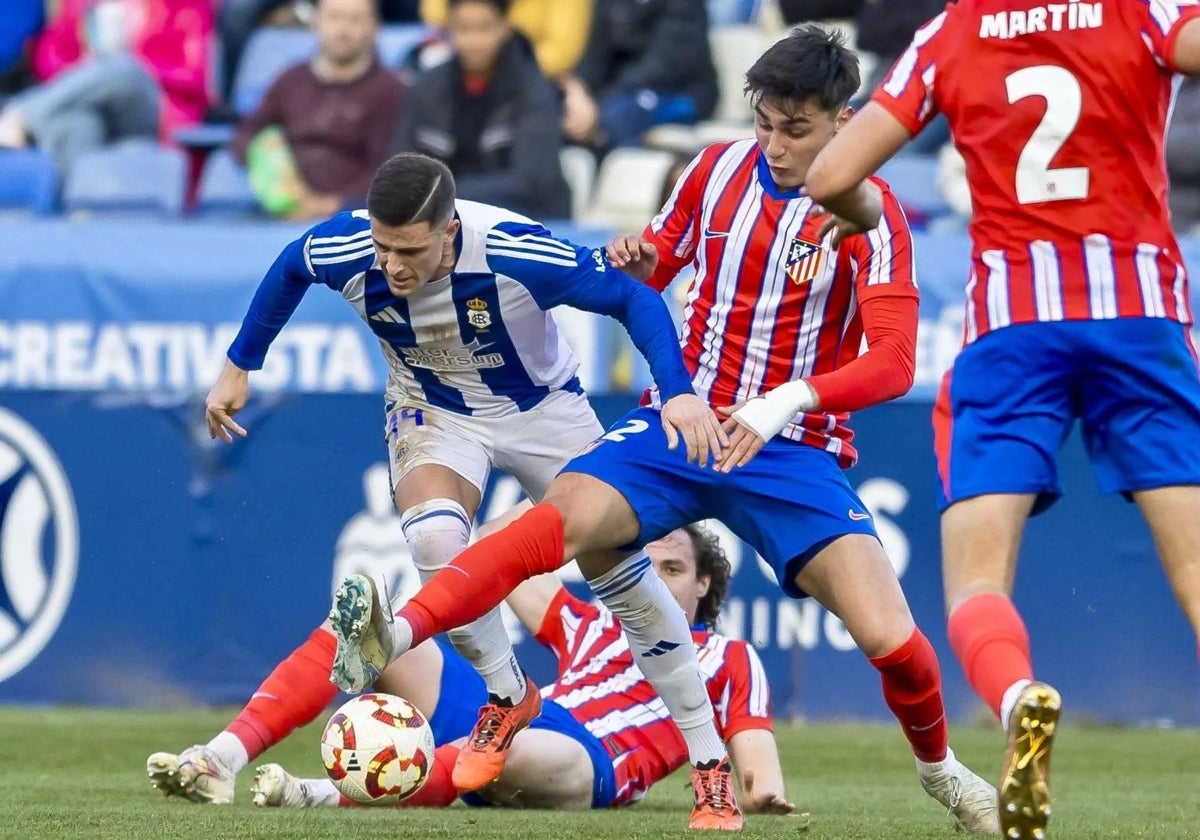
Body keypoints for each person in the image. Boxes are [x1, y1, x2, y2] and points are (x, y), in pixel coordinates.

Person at [332, 25, 1000, 834]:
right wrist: (637, 260)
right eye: (765, 123)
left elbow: (894, 363)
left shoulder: (874, 217)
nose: (776, 146)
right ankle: (402, 639)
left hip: (791, 449)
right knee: (546, 529)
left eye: (798, 130)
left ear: (844, 120)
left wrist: (784, 401)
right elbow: (663, 264)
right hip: (679, 428)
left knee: (893, 640)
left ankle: (942, 772)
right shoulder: (717, 169)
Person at [200, 149, 730, 810]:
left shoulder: (514, 251)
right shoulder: (346, 245)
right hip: (433, 407)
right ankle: (507, 695)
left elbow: (631, 297)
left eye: (411, 250)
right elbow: (290, 266)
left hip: (543, 413)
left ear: (448, 232)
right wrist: (239, 363)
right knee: (435, 544)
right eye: (383, 246)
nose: (392, 265)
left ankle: (710, 761)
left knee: (624, 579)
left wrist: (676, 392)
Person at [804, 4, 1200, 840]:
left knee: (977, 586)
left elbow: (832, 173)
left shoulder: (955, 31)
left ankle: (1019, 697)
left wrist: (863, 220)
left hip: (1011, 325)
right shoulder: (1142, 10)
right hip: (1140, 313)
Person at [149, 526, 794, 817]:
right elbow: (500, 555)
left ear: (707, 583)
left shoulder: (731, 659)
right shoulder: (591, 621)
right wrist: (572, 498)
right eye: (642, 565)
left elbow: (757, 765)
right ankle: (221, 758)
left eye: (673, 570)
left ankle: (321, 792)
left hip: (587, 759)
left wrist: (762, 794)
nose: (651, 580)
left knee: (523, 750)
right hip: (511, 710)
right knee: (371, 635)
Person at [393, 0, 572, 220]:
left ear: (505, 28)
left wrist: (444, 194)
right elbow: (400, 162)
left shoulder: (535, 91)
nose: (474, 40)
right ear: (448, 31)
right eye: (464, 28)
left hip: (524, 221)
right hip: (442, 218)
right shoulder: (424, 88)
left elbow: (531, 180)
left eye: (485, 28)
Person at [231, 0, 403, 220]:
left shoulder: (391, 91)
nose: (343, 30)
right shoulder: (290, 79)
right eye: (334, 17)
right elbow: (247, 133)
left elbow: (389, 167)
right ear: (316, 23)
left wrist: (329, 205)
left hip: (351, 218)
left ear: (374, 27)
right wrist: (269, 165)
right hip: (277, 210)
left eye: (354, 20)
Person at [559, 0, 718, 152]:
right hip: (617, 93)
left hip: (681, 94)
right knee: (554, 114)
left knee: (617, 118)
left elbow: (669, 62)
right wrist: (580, 92)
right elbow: (593, 55)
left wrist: (599, 105)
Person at [419, 0, 592, 80]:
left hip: (531, 71)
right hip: (461, 65)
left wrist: (503, 70)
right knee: (432, 57)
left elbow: (560, 54)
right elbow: (435, 15)